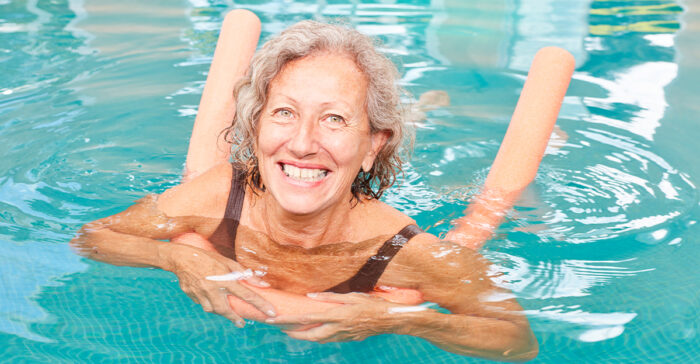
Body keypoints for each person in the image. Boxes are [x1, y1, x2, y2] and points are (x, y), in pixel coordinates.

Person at [71, 9, 575, 361]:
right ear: (256, 127)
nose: (303, 142)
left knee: (491, 206)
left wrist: (402, 320)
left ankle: (425, 111)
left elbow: (515, 340)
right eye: (284, 113)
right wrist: (177, 256)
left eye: (334, 119)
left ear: (373, 146)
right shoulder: (216, 195)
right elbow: (93, 237)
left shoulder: (409, 253)